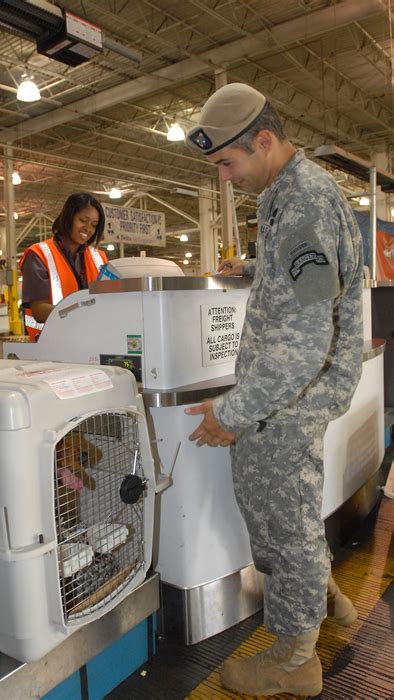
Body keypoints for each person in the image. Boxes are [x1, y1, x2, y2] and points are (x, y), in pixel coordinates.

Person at [184, 83, 363, 697]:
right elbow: (318, 276)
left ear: (264, 141)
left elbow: (306, 340)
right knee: (287, 511)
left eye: (229, 164)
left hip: (295, 389)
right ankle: (319, 593)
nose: (225, 179)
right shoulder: (285, 194)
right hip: (298, 383)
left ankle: (294, 661)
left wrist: (232, 413)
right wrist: (257, 269)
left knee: (278, 515)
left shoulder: (304, 200)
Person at [20, 192, 108, 340]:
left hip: (92, 339)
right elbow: (39, 311)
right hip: (51, 342)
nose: (88, 228)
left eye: (94, 225)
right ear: (68, 217)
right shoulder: (38, 255)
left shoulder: (99, 258)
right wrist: (79, 316)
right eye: (82, 220)